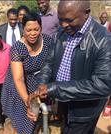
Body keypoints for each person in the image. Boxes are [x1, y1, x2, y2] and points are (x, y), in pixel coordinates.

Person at [27, 1, 111, 134]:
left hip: (84, 111)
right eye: (60, 20)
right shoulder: (61, 32)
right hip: (63, 102)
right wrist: (41, 88)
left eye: (69, 20)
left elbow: (102, 85)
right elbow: (49, 63)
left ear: (86, 13)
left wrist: (54, 88)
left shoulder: (104, 40)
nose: (64, 25)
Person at [1, 12, 52, 133]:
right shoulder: (18, 49)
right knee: (24, 118)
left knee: (36, 114)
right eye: (28, 30)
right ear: (23, 29)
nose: (33, 33)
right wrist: (28, 102)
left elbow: (50, 64)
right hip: (20, 87)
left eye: (36, 29)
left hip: (38, 83)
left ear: (41, 28)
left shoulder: (48, 41)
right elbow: (18, 79)